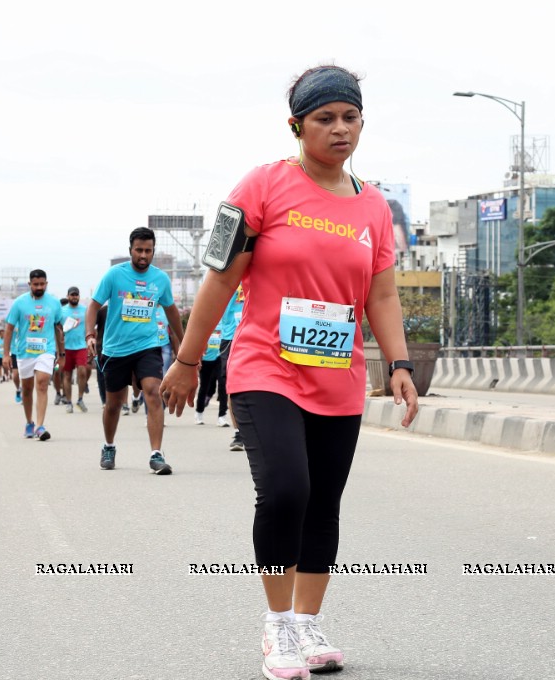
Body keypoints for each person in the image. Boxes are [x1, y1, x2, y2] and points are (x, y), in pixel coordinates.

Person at [160, 65, 419, 680]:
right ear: (296, 125)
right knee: (286, 492)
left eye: (349, 117)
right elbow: (221, 277)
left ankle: (308, 625)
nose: (339, 129)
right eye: (324, 118)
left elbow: (381, 297)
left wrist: (400, 363)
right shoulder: (262, 186)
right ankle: (277, 628)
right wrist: (188, 360)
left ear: (362, 123)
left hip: (338, 375)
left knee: (323, 502)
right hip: (264, 366)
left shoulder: (375, 206)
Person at [86, 226, 184, 474]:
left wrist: (182, 343)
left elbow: (171, 311)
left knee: (153, 390)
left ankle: (156, 454)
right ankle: (108, 446)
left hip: (148, 346)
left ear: (153, 252)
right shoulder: (114, 276)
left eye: (148, 251)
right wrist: (90, 335)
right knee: (114, 404)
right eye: (139, 250)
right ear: (130, 249)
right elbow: (93, 306)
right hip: (115, 349)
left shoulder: (160, 279)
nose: (143, 255)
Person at [3, 269, 65, 441]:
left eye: (42, 284)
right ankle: (29, 421)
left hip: (46, 350)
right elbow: (9, 329)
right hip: (25, 352)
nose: (39, 287)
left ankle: (40, 426)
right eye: (35, 284)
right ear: (30, 284)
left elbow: (59, 329)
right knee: (28, 389)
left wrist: (62, 353)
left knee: (43, 383)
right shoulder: (19, 303)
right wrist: (6, 354)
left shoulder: (53, 302)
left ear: (46, 284)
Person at [218, 285, 247, 448]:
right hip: (230, 338)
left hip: (256, 335)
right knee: (233, 386)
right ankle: (238, 433)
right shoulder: (228, 275)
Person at [60, 286, 91, 414]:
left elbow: (90, 327)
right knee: (67, 375)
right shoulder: (62, 311)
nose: (74, 297)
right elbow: (57, 328)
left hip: (81, 347)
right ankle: (68, 402)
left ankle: (80, 399)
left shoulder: (85, 310)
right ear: (68, 296)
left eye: (76, 295)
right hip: (66, 348)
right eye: (72, 295)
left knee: (82, 372)